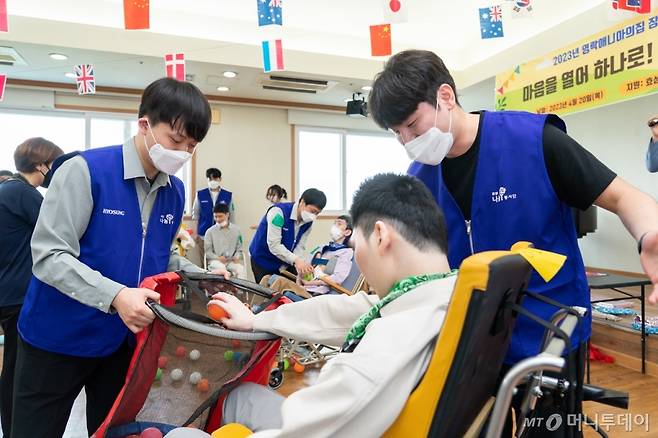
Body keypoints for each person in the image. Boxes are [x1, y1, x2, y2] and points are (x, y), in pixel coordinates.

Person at [368, 49, 658, 437]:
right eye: (397, 133)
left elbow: (625, 197)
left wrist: (649, 233)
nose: (408, 141)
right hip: (474, 340)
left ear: (446, 98)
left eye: (412, 125)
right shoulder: (419, 178)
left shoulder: (534, 140)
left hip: (550, 330)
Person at [11, 78, 228, 438]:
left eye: (191, 146)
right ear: (144, 125)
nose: (183, 153)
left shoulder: (173, 192)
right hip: (57, 337)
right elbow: (49, 255)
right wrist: (115, 295)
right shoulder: (86, 171)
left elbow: (157, 256)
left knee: (112, 432)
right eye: (176, 141)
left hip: (121, 342)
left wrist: (200, 276)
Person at [165, 173, 457, 437]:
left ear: (380, 236)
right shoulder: (443, 295)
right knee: (240, 398)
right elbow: (344, 311)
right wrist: (258, 320)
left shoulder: (385, 348)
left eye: (356, 245)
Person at [0, 137, 63, 437]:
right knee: (16, 373)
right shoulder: (24, 193)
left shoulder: (7, 190)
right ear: (41, 165)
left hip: (7, 291)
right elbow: (60, 229)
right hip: (17, 295)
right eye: (55, 164)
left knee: (12, 369)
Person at [262, 215, 354, 300]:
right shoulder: (324, 248)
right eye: (334, 223)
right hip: (304, 288)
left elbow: (337, 279)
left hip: (316, 294)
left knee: (280, 282)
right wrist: (299, 282)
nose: (334, 226)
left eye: (339, 223)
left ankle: (260, 313)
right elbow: (305, 267)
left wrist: (310, 283)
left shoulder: (346, 252)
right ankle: (254, 311)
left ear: (347, 232)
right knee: (267, 278)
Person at [248, 188, 326, 283]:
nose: (313, 215)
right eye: (312, 211)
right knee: (266, 293)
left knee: (287, 292)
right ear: (302, 202)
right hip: (263, 259)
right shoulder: (278, 213)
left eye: (317, 213)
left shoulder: (308, 223)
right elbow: (274, 245)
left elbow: (299, 246)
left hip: (283, 262)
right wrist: (296, 260)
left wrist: (300, 263)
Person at [204, 203, 247, 279]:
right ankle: (223, 290)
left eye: (220, 216)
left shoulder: (236, 230)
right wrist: (218, 258)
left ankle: (241, 291)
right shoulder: (210, 232)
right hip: (216, 261)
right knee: (221, 269)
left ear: (227, 215)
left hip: (231, 261)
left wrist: (236, 257)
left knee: (240, 269)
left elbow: (239, 249)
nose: (218, 219)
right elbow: (208, 252)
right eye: (215, 217)